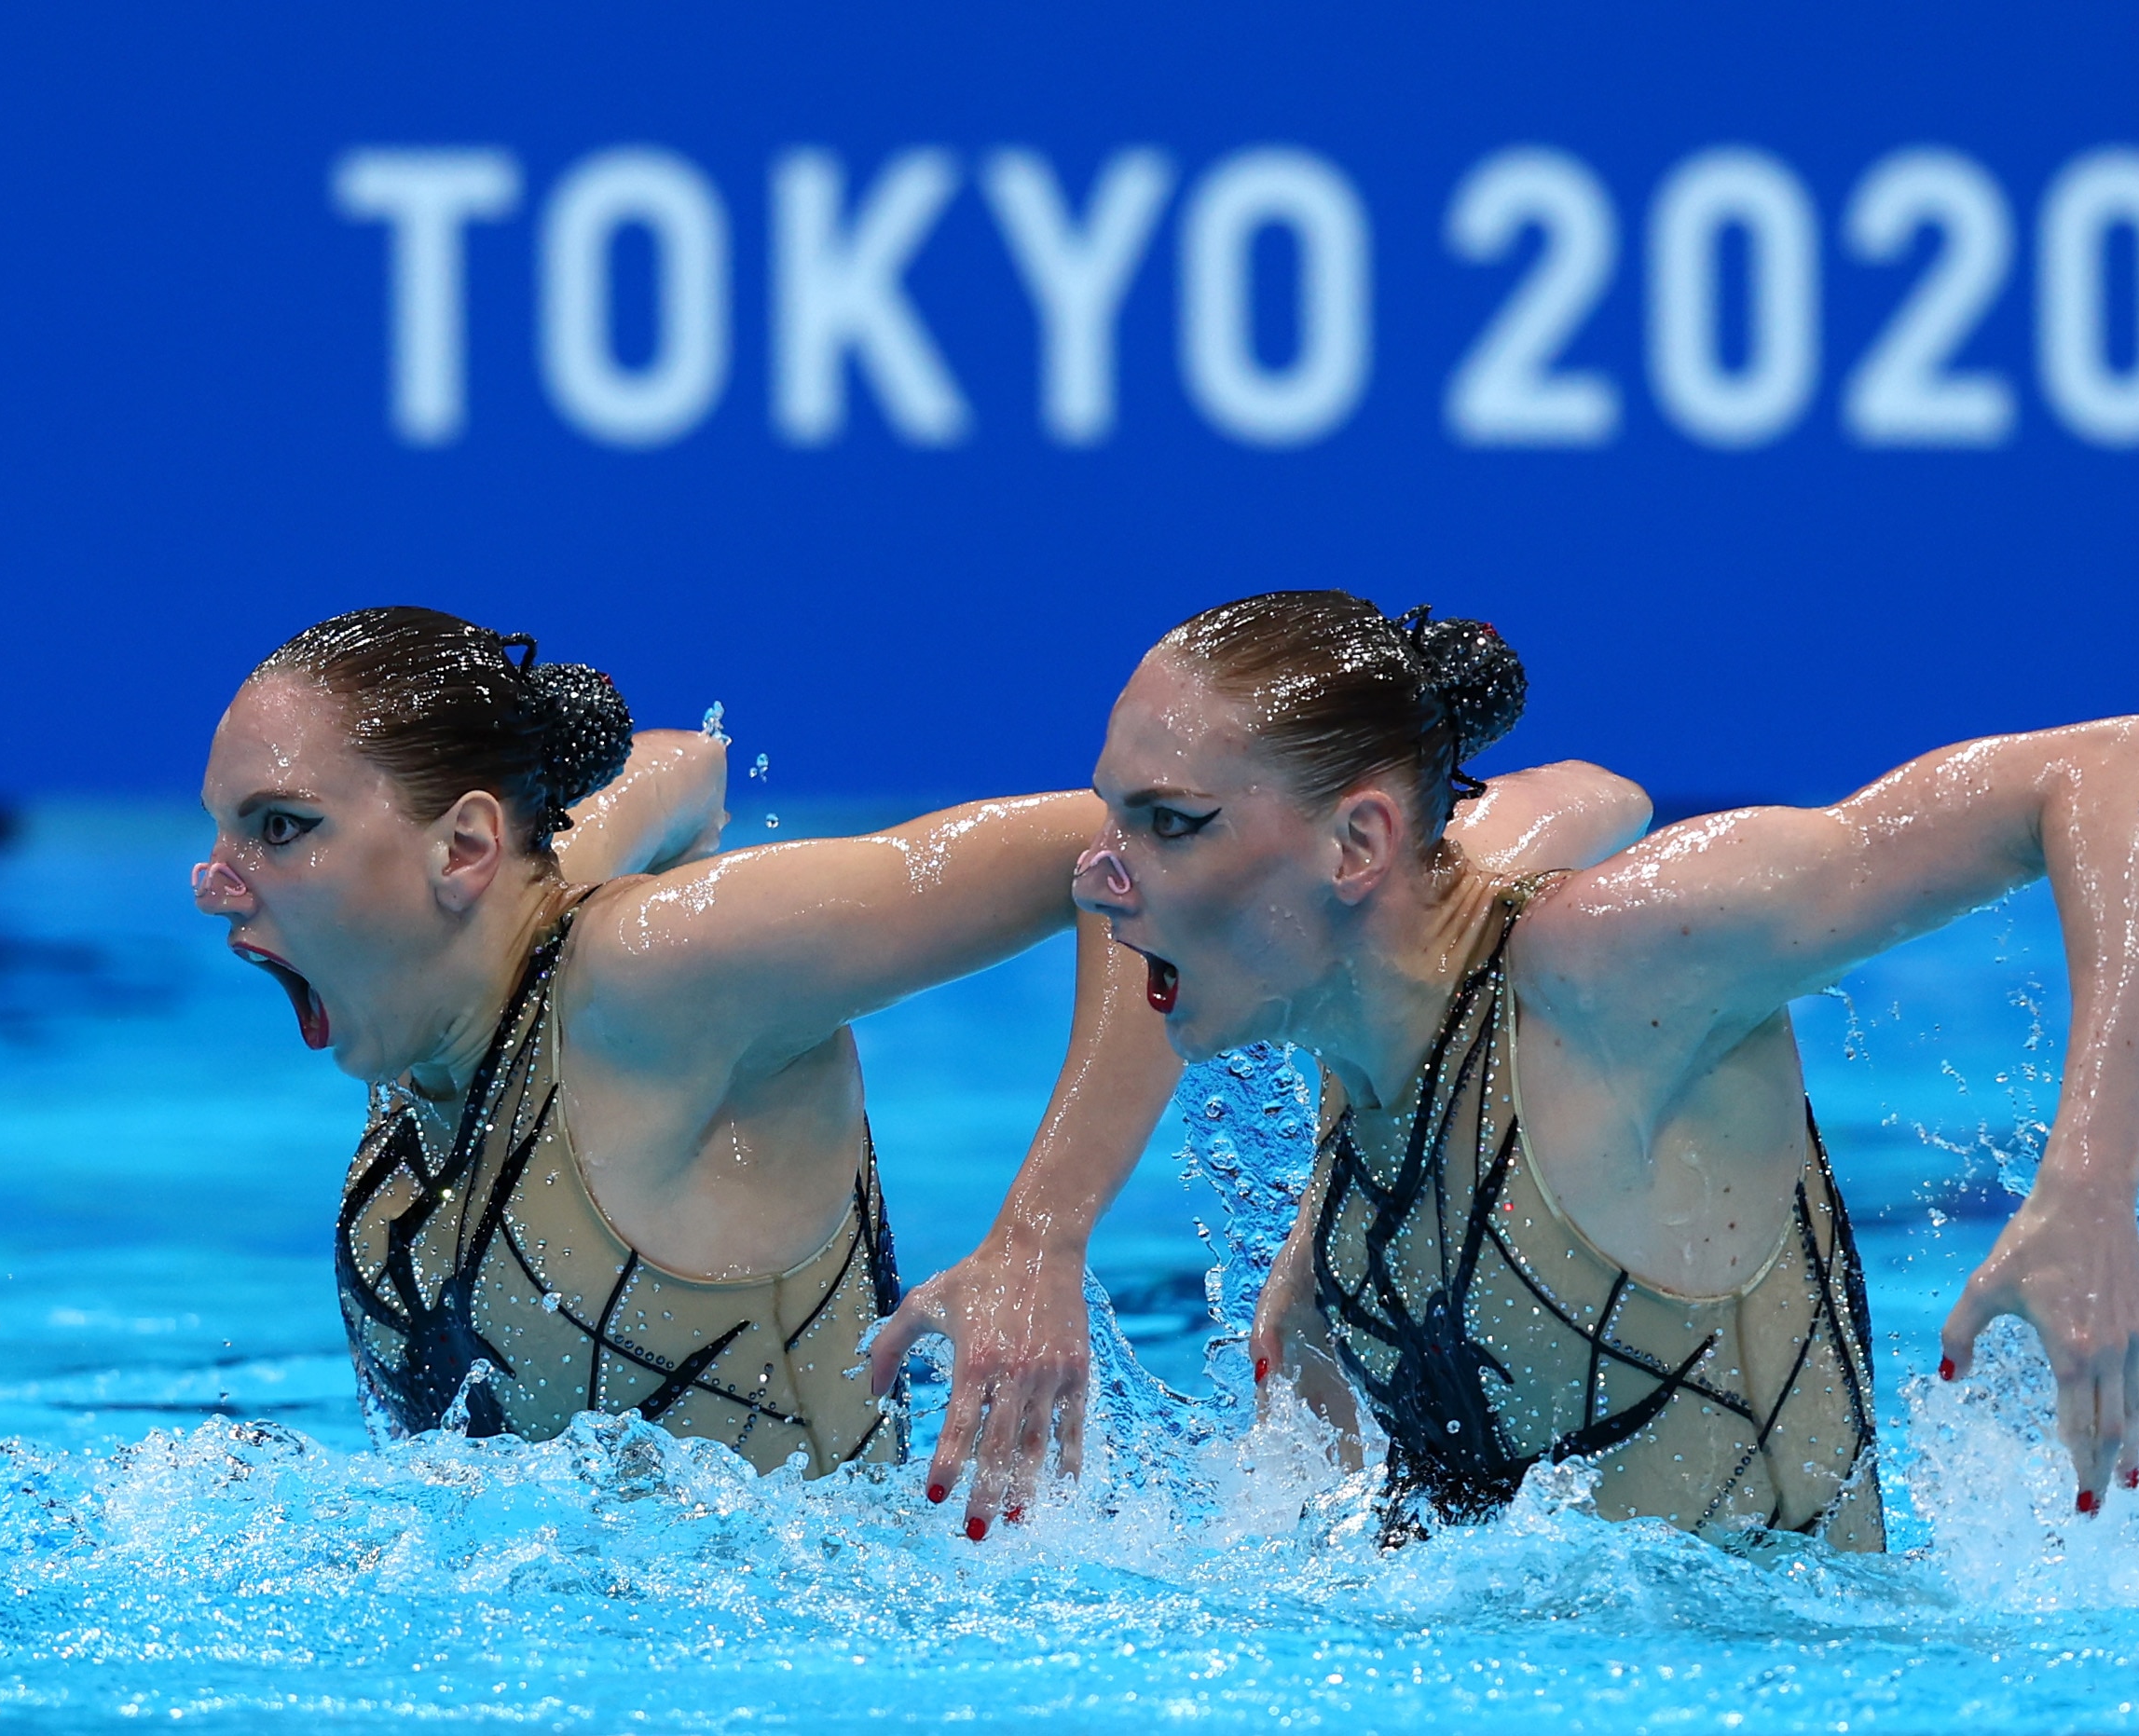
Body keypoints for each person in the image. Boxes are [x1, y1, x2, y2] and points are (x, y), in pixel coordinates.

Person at [191, 605, 1649, 1531]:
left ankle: (1482, 855)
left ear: (460, 847)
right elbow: (678, 763)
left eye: (277, 830)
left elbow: (1100, 854)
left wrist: (1040, 1237)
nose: (213, 881)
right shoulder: (428, 1013)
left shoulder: (653, 976)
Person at [988, 589, 2139, 1542]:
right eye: (1113, 817)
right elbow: (1587, 791)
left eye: (1170, 824)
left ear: (1357, 844)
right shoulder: (1361, 1013)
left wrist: (2088, 1193)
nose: (1098, 877)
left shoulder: (1609, 975)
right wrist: (1321, 1243)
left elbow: (2127, 765)